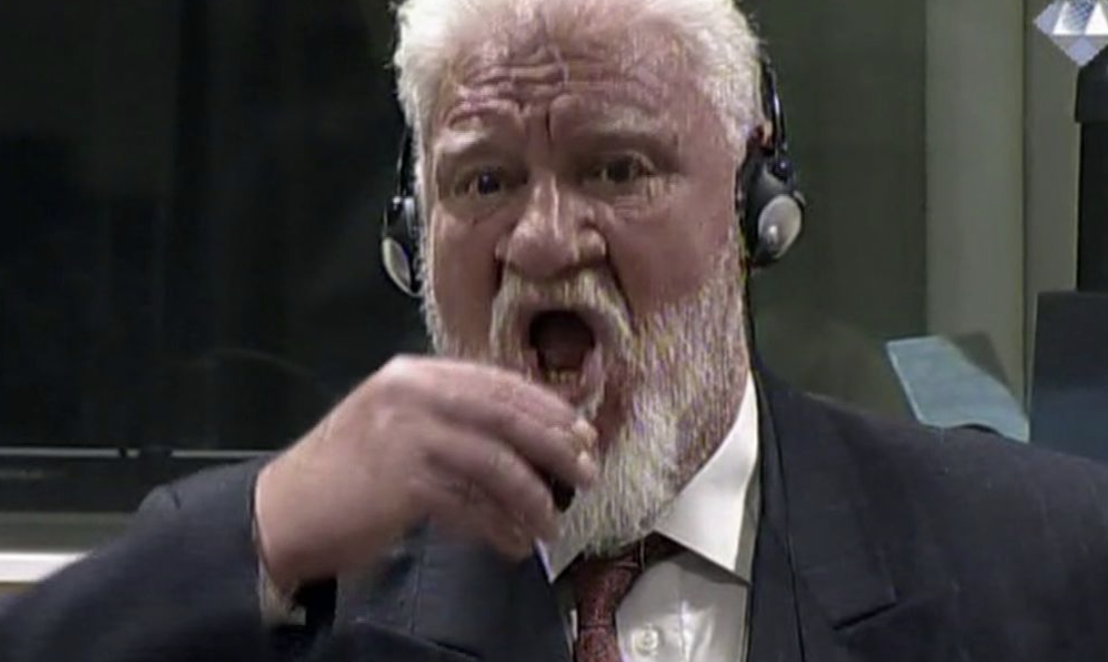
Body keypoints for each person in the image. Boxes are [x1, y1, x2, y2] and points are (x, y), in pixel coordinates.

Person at [4, 0, 1108, 660]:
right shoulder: (292, 583)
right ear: (410, 235)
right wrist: (269, 530)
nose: (541, 241)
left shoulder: (1037, 557)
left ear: (753, 204)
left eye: (616, 168)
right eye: (484, 180)